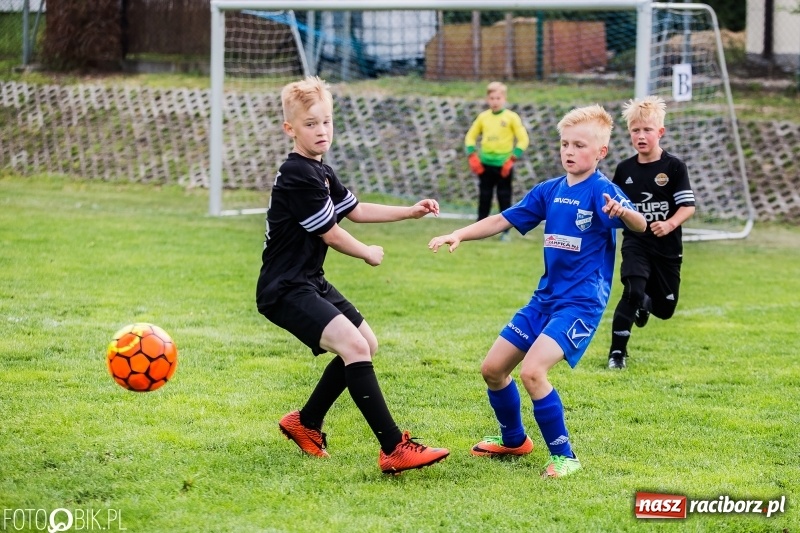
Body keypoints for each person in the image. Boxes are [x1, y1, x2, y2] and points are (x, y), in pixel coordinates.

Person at [429, 104, 646, 478]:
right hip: (544, 299)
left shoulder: (603, 192)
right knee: (493, 369)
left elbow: (640, 224)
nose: (569, 151)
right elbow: (502, 219)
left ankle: (565, 457)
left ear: (600, 152)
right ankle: (514, 440)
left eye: (579, 145)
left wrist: (623, 214)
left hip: (580, 304)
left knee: (532, 372)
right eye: (565, 144)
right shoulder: (550, 190)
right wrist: (459, 233)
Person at [256, 76, 449, 474]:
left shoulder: (320, 171)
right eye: (310, 124)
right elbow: (331, 232)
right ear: (290, 129)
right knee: (355, 349)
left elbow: (355, 210)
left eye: (326, 121)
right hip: (284, 288)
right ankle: (394, 448)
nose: (321, 130)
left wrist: (409, 211)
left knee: (365, 343)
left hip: (309, 280)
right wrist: (367, 253)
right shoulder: (297, 173)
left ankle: (305, 423)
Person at [606, 96, 696, 370]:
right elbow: (612, 203)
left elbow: (687, 206)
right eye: (635, 130)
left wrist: (669, 224)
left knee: (666, 309)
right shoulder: (624, 170)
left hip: (667, 248)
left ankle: (646, 302)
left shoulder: (674, 167)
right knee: (632, 290)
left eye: (647, 130)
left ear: (660, 132)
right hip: (637, 243)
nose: (641, 135)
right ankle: (617, 354)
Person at [464, 81, 530, 241]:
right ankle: (479, 229)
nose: (495, 101)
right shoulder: (483, 117)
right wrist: (472, 156)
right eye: (492, 98)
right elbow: (470, 137)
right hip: (485, 164)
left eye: (498, 98)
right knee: (484, 196)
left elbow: (523, 139)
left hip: (503, 165)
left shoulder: (511, 117)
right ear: (488, 99)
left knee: (504, 196)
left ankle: (505, 231)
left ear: (504, 98)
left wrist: (512, 158)